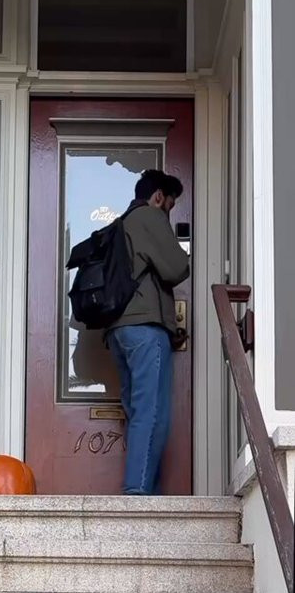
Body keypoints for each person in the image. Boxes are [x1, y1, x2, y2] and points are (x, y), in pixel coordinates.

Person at [106, 169, 190, 496]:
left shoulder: (121, 224)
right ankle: (138, 493)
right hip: (145, 330)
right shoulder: (149, 216)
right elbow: (176, 267)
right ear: (158, 197)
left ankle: (145, 490)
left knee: (138, 411)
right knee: (152, 412)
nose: (168, 211)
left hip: (119, 330)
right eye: (170, 205)